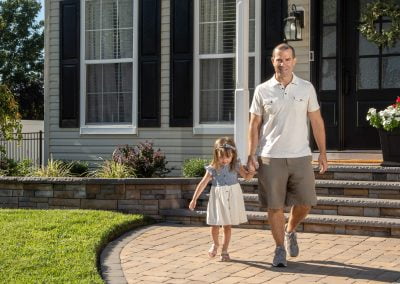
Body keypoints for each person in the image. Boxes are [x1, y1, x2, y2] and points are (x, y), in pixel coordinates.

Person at [247, 43, 328, 267]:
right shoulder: (262, 90)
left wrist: (322, 152)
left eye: (287, 59)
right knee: (274, 206)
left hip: (301, 155)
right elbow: (254, 124)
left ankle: (290, 229)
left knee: (306, 202)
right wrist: (251, 154)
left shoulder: (306, 88)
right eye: (278, 59)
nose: (283, 63)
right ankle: (279, 248)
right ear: (272, 61)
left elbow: (316, 121)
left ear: (294, 61)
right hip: (270, 156)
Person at [189, 137, 255, 262]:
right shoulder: (213, 168)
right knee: (214, 224)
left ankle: (224, 250)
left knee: (227, 226)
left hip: (232, 195)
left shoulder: (235, 165)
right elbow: (203, 183)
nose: (224, 160)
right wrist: (194, 199)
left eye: (227, 157)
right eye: (221, 157)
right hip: (218, 197)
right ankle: (215, 244)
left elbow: (246, 177)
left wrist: (252, 171)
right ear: (216, 155)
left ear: (233, 155)